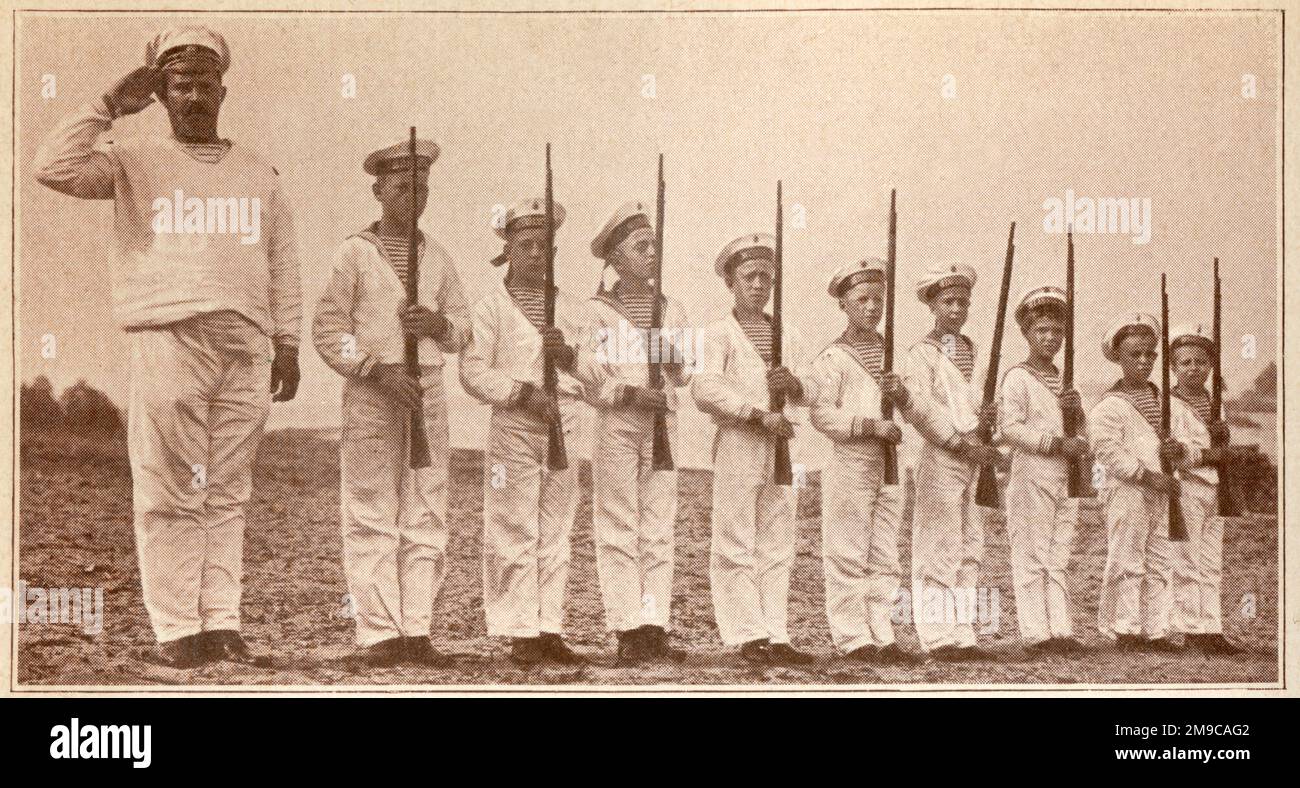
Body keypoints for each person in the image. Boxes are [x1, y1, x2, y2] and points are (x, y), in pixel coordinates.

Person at [32, 26, 301, 668]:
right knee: (170, 489)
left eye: (203, 83)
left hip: (246, 344)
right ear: (161, 92)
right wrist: (107, 104)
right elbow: (51, 166)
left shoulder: (258, 171)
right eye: (178, 84)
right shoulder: (133, 160)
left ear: (222, 90)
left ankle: (222, 621)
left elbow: (282, 263)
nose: (193, 95)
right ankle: (178, 626)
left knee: (228, 491)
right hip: (169, 335)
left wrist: (287, 341)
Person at [312, 138, 471, 668]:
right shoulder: (354, 253)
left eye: (422, 188)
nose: (414, 197)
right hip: (373, 392)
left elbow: (463, 329)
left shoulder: (440, 257)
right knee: (371, 509)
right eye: (402, 188)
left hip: (427, 388)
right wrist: (375, 370)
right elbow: (330, 329)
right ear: (379, 190)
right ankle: (378, 634)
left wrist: (439, 326)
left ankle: (417, 629)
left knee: (426, 507)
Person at [460, 198, 596, 667]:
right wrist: (522, 393)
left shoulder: (573, 309)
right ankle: (519, 630)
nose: (537, 254)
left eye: (544, 246)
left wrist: (570, 359)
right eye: (526, 245)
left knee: (556, 528)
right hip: (515, 423)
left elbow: (599, 372)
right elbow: (474, 373)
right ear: (509, 248)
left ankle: (549, 626)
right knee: (513, 523)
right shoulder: (490, 309)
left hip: (567, 420)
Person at [691, 233, 818, 667]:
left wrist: (795, 386)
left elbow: (813, 387)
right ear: (731, 282)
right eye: (750, 276)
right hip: (740, 439)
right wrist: (755, 413)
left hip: (781, 442)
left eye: (767, 276)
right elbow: (705, 387)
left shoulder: (788, 334)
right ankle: (747, 633)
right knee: (735, 537)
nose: (759, 285)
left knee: (779, 537)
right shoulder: (718, 334)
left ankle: (777, 632)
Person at [585, 201, 692, 665]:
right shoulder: (597, 311)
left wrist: (670, 357)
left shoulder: (672, 308)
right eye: (639, 247)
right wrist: (627, 394)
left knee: (658, 528)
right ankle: (627, 627)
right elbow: (587, 376)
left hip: (662, 425)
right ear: (615, 259)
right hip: (619, 425)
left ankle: (654, 626)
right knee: (618, 524)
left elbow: (689, 372)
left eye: (654, 246)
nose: (651, 254)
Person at [880, 261, 997, 662]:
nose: (957, 310)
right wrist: (959, 440)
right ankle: (937, 634)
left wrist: (986, 421)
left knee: (969, 543)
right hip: (940, 453)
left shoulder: (972, 350)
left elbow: (977, 400)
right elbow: (921, 409)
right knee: (937, 545)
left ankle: (962, 631)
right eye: (948, 302)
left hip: (974, 455)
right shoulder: (921, 353)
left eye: (963, 302)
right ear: (932, 305)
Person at [810, 259, 921, 665]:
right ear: (844, 304)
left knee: (885, 550)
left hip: (891, 460)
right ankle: (853, 637)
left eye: (878, 299)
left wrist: (903, 397)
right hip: (852, 459)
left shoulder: (893, 356)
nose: (872, 308)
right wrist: (869, 425)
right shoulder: (833, 357)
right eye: (862, 300)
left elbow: (915, 408)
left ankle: (883, 632)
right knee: (847, 550)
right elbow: (821, 415)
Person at [998, 286, 1089, 655]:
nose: (1050, 338)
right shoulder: (1018, 377)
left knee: (1059, 553)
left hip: (1065, 475)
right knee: (1032, 553)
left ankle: (1061, 628)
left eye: (1056, 331)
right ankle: (1037, 632)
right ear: (1027, 333)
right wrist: (1055, 443)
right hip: (1032, 471)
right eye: (1041, 331)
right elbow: (1010, 428)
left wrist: (1078, 416)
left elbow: (1083, 433)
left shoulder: (1067, 382)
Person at [1089, 312, 1182, 652]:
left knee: (1159, 558)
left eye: (1150, 355)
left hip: (1161, 489)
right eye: (1134, 355)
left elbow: (1177, 441)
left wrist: (1177, 452)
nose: (1144, 361)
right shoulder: (1109, 406)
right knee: (1128, 558)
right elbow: (1108, 454)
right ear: (1119, 357)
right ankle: (1125, 628)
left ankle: (1155, 629)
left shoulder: (1164, 401)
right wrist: (1147, 475)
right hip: (1127, 490)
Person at [1167, 323, 1246, 655]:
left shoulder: (1215, 403)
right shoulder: (1168, 403)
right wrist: (1211, 454)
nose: (1193, 368)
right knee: (1185, 560)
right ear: (1173, 367)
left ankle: (1212, 627)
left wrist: (1221, 448)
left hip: (1215, 489)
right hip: (1186, 488)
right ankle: (1189, 627)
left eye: (1200, 361)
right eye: (1185, 362)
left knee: (1211, 561)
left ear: (1210, 365)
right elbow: (1173, 452)